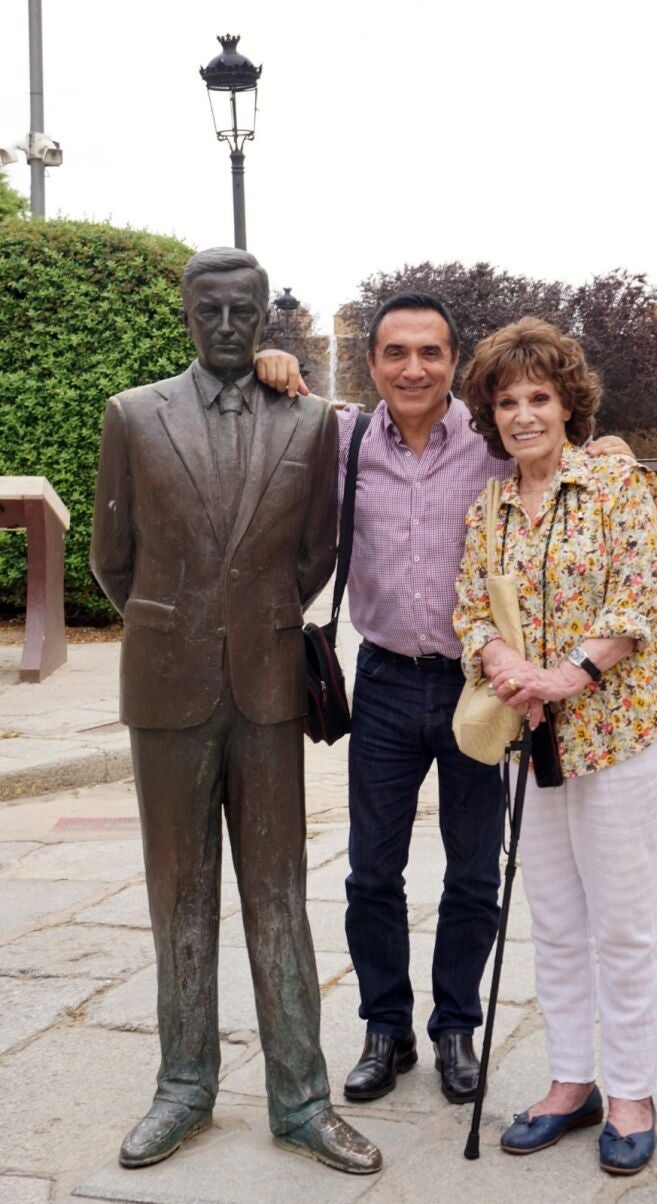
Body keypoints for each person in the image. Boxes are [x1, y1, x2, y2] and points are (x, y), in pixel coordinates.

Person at [256, 296, 631, 1107]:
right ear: (371, 363)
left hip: (479, 685)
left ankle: (456, 1027)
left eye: (430, 352)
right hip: (385, 681)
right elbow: (268, 410)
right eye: (395, 352)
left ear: (454, 362)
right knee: (370, 872)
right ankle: (384, 1029)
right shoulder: (343, 438)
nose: (413, 368)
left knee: (473, 872)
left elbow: (561, 455)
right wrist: (269, 365)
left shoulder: (493, 443)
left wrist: (607, 449)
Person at [90, 247, 381, 1176]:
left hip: (267, 688)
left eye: (241, 312)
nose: (225, 326)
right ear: (187, 315)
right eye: (208, 310)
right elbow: (112, 556)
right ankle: (183, 1087)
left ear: (264, 319)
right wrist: (180, 623)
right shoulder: (133, 415)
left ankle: (301, 1099)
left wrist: (253, 620)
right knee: (178, 894)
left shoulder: (310, 422)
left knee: (280, 894)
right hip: (165, 684)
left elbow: (315, 553)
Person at [452, 317, 657, 1176]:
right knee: (552, 920)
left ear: (567, 405)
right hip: (535, 742)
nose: (523, 415)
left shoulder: (617, 485)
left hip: (620, 734)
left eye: (538, 397)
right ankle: (570, 1082)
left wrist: (565, 675)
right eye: (506, 402)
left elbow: (641, 600)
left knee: (622, 925)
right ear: (490, 416)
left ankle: (631, 1093)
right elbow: (471, 606)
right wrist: (502, 661)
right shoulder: (489, 509)